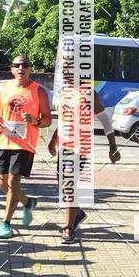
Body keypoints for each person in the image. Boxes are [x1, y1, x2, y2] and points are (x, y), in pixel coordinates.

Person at [48, 85, 121, 244]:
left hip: (81, 147)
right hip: (64, 145)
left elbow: (105, 119)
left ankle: (69, 228)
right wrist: (54, 139)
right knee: (62, 184)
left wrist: (113, 147)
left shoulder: (88, 93)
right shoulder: (63, 91)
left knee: (68, 183)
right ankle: (78, 213)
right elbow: (64, 119)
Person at [0, 54, 52, 238]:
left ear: (30, 68)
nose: (21, 68)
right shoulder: (2, 87)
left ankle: (6, 223)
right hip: (4, 142)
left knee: (13, 182)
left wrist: (36, 121)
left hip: (25, 144)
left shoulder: (39, 91)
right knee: (2, 183)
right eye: (17, 65)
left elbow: (47, 119)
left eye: (25, 65)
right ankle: (27, 202)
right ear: (11, 69)